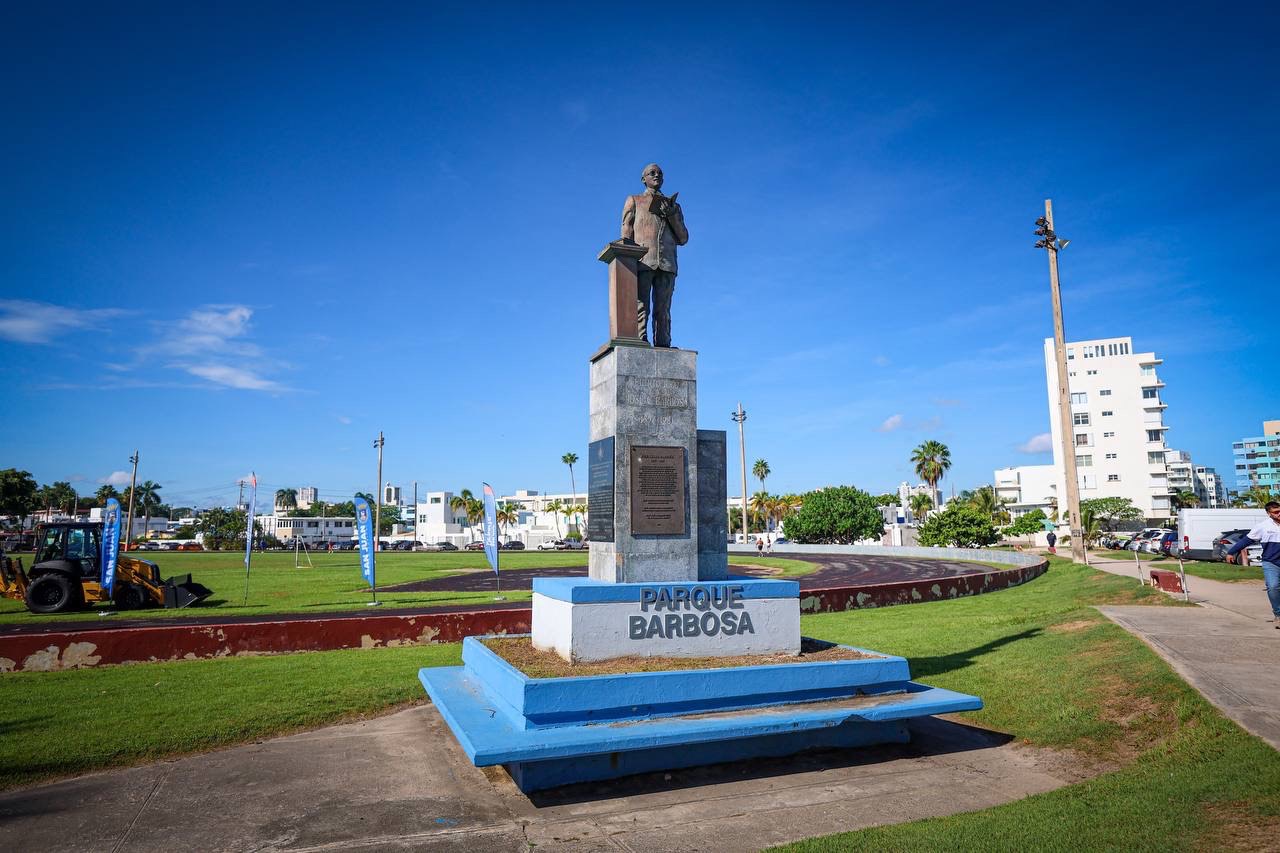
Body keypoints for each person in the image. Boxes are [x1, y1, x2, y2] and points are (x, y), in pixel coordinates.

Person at [621, 163, 688, 347]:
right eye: (652, 173)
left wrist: (672, 215)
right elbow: (626, 232)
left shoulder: (674, 206)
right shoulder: (634, 201)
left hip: (667, 264)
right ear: (644, 179)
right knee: (640, 306)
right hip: (643, 262)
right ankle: (639, 342)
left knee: (663, 309)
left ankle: (663, 344)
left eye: (659, 173)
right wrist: (627, 259)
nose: (656, 175)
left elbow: (683, 238)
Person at [1225, 500, 1280, 628]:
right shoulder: (1262, 526)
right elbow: (1246, 540)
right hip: (1271, 562)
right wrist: (1231, 552)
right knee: (1273, 587)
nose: (1279, 514)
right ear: (1269, 513)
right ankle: (1278, 615)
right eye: (1276, 512)